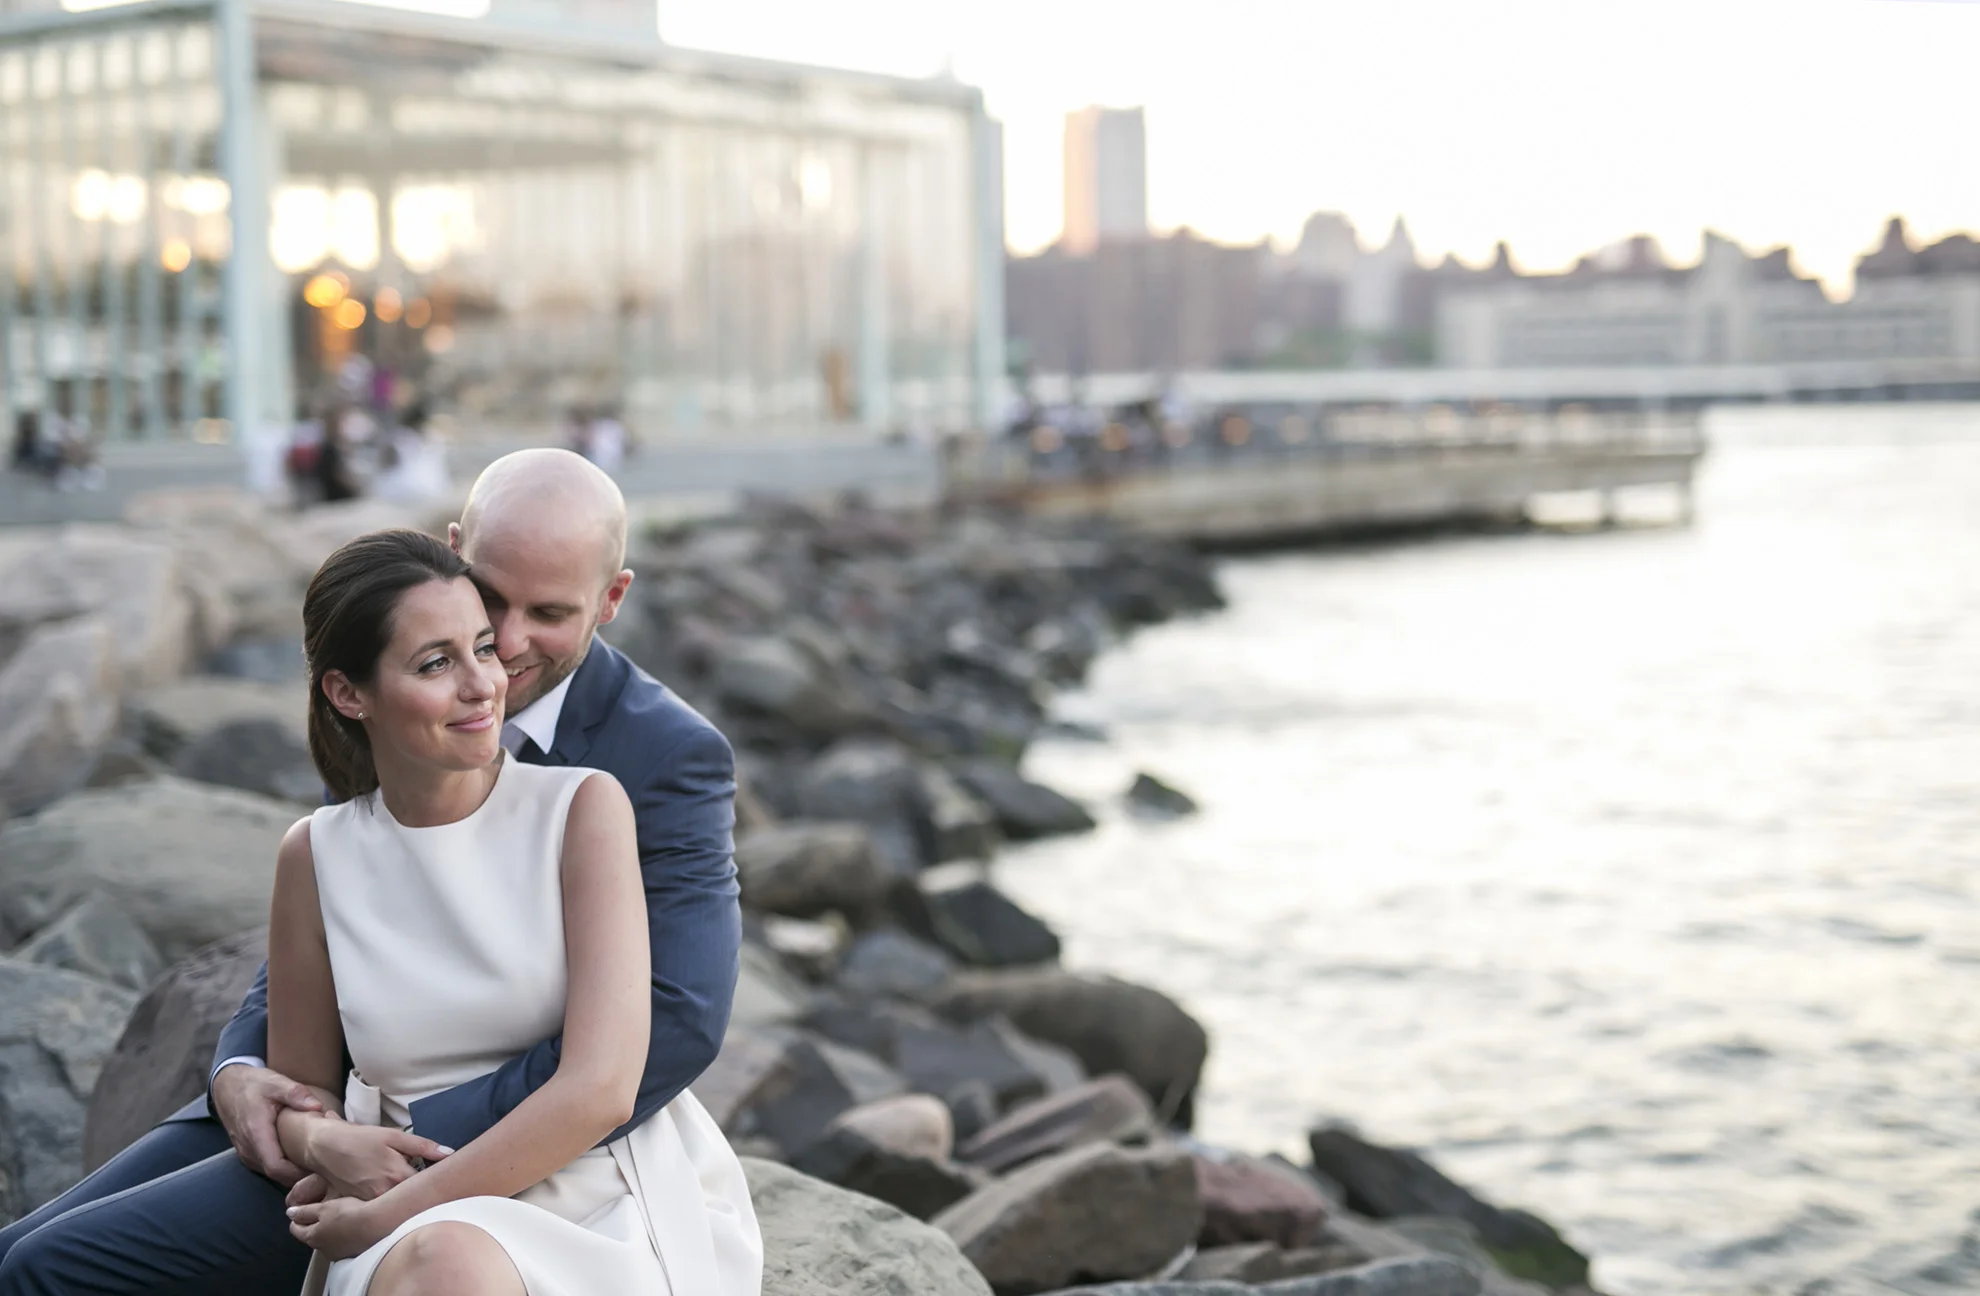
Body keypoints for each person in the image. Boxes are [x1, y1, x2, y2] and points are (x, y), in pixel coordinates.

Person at [0, 450, 751, 1296]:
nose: (501, 650)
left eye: (546, 612)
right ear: (456, 548)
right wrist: (249, 1078)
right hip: (352, 1121)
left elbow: (677, 1020)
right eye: (486, 599)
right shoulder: (387, 703)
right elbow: (343, 915)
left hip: (512, 1148)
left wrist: (403, 1139)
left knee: (47, 1272)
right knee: (16, 1255)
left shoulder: (653, 765)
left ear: (611, 599)